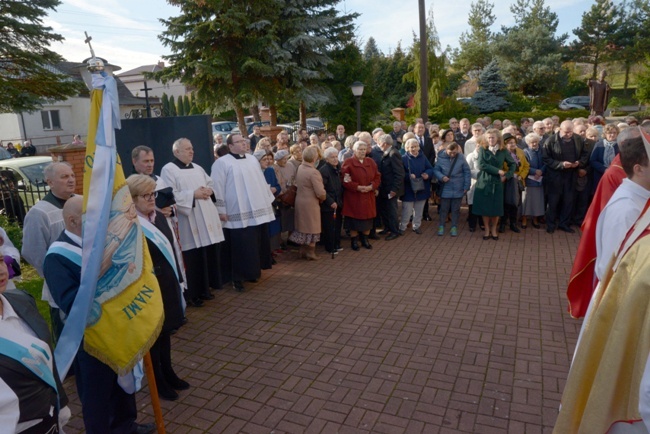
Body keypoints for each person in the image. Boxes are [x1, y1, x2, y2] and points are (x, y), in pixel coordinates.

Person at [554, 132, 650, 432]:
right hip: (619, 306)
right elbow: (615, 268)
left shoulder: (637, 200)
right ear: (639, 168)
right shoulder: (625, 209)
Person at [44, 196, 155, 434]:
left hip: (118, 328)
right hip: (91, 340)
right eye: (89, 216)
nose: (98, 220)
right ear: (73, 220)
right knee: (97, 396)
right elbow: (69, 301)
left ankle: (126, 426)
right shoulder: (57, 257)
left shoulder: (99, 242)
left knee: (122, 384)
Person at [126, 175, 188, 402]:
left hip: (167, 285)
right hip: (149, 288)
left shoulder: (159, 218)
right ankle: (158, 380)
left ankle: (169, 372)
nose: (152, 199)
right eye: (146, 195)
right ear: (132, 199)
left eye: (153, 194)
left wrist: (178, 279)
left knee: (166, 331)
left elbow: (171, 250)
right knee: (153, 336)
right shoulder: (130, 225)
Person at [0, 253, 71, 433]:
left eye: (0, 260)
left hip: (50, 421)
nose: (1, 270)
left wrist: (61, 403)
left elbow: (46, 361)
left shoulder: (21, 299)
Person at [160, 138, 224, 306]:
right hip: (188, 221)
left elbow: (210, 183)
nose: (192, 151)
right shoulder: (169, 169)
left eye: (192, 148)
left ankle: (206, 289)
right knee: (193, 258)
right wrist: (192, 195)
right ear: (176, 152)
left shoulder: (198, 167)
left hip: (205, 218)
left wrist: (209, 190)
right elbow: (169, 194)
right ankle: (193, 294)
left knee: (205, 255)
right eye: (187, 149)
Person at [211, 133, 276, 291]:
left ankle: (251, 272)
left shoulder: (252, 159)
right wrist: (221, 210)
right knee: (239, 246)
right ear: (231, 146)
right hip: (236, 212)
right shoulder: (222, 163)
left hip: (256, 211)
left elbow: (260, 181)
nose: (244, 144)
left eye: (244, 141)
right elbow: (217, 187)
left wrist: (267, 200)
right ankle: (237, 278)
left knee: (254, 243)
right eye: (239, 142)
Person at [21, 162, 76, 340]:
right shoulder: (39, 213)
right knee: (68, 340)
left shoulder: (81, 202)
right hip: (60, 287)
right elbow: (32, 250)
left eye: (72, 175)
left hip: (88, 281)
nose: (71, 180)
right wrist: (55, 274)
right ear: (50, 182)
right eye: (64, 177)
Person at [542, 120, 590, 233]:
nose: (568, 134)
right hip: (555, 176)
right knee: (553, 201)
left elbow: (585, 154)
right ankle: (551, 224)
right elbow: (545, 158)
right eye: (566, 132)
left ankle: (564, 223)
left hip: (571, 174)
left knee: (568, 201)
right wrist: (561, 164)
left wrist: (579, 163)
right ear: (560, 130)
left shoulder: (578, 139)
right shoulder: (551, 140)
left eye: (570, 132)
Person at [473, 129, 516, 241]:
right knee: (485, 208)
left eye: (493, 137)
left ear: (498, 138)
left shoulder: (503, 151)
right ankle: (487, 229)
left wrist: (507, 176)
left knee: (496, 208)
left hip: (497, 182)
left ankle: (494, 230)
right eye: (488, 138)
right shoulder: (483, 149)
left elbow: (513, 164)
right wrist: (498, 171)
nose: (490, 140)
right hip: (484, 181)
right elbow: (481, 165)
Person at [341, 140, 381, 250]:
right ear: (354, 150)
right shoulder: (348, 162)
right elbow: (345, 181)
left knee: (367, 221)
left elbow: (377, 177)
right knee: (354, 221)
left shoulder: (371, 162)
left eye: (364, 149)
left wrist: (372, 186)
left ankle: (365, 240)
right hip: (354, 197)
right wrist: (357, 187)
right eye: (360, 149)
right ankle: (354, 241)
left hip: (368, 196)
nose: (363, 152)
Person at [289, 146, 326, 260]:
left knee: (302, 226)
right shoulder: (313, 172)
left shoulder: (300, 167)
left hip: (300, 201)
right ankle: (310, 252)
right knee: (312, 228)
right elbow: (320, 192)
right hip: (311, 204)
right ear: (315, 157)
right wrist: (323, 197)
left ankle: (302, 250)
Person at [433, 143, 470, 237]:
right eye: (450, 153)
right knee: (443, 209)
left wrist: (466, 186)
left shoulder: (461, 157)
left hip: (458, 186)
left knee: (456, 209)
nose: (453, 154)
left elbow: (466, 171)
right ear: (446, 150)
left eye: (454, 152)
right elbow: (436, 170)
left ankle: (454, 226)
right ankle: (441, 225)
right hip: (446, 186)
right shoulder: (440, 157)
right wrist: (442, 177)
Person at [399, 138, 435, 235]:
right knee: (407, 210)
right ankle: (402, 227)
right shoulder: (403, 159)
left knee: (419, 210)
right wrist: (408, 176)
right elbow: (400, 173)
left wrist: (427, 174)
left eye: (416, 147)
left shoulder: (423, 157)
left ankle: (416, 226)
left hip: (422, 188)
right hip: (409, 189)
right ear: (407, 148)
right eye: (411, 147)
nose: (414, 149)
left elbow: (430, 169)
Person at [500, 132, 529, 233]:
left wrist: (521, 176)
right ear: (504, 144)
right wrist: (509, 174)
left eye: (514, 142)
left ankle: (513, 223)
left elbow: (526, 166)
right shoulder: (501, 152)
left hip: (518, 181)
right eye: (510, 143)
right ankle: (503, 223)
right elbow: (499, 167)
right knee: (505, 203)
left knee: (515, 203)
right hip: (506, 181)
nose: (512, 144)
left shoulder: (520, 152)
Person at [376, 134, 404, 241]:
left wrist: (394, 189)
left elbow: (399, 174)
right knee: (385, 209)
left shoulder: (393, 154)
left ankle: (394, 231)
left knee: (392, 210)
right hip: (385, 187)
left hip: (391, 188)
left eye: (379, 143)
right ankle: (387, 227)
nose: (378, 146)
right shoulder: (388, 152)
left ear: (384, 143)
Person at [255, 150, 282, 255]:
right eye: (264, 159)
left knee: (273, 227)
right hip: (259, 205)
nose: (267, 162)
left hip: (270, 203)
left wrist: (275, 189)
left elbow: (278, 186)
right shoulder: (254, 173)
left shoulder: (270, 171)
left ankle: (271, 250)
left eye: (268, 159)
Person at [319, 147, 343, 254]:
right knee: (329, 227)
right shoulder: (324, 170)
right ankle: (330, 247)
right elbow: (322, 189)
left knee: (337, 225)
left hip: (338, 202)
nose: (335, 159)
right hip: (329, 204)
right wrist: (330, 202)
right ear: (327, 159)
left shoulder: (338, 167)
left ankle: (337, 244)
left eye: (336, 156)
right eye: (332, 157)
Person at [521, 133, 545, 229]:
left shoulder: (542, 151)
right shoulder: (525, 152)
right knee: (527, 200)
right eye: (532, 143)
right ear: (527, 143)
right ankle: (524, 219)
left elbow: (546, 162)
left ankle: (535, 219)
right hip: (529, 180)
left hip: (540, 180)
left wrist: (541, 171)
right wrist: (535, 171)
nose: (534, 144)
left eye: (535, 142)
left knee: (537, 201)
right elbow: (524, 165)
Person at [413, 123, 435, 221]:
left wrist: (427, 168)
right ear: (414, 129)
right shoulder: (412, 140)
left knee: (426, 192)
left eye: (422, 128)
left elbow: (432, 155)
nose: (421, 129)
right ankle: (415, 215)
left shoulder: (429, 140)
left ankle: (425, 213)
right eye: (419, 128)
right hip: (415, 172)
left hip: (426, 171)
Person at [590, 123, 620, 193]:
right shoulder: (599, 144)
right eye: (609, 133)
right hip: (600, 175)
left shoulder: (620, 145)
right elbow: (593, 160)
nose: (612, 135)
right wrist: (604, 169)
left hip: (615, 175)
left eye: (614, 133)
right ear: (605, 134)